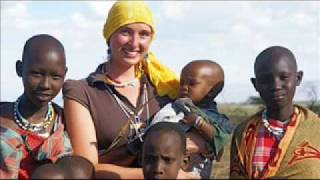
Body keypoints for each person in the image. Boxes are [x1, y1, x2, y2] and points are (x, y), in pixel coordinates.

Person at [62, 1, 201, 179]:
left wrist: (201, 143)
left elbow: (202, 130)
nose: (134, 42)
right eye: (125, 31)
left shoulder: (164, 86)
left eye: (144, 34)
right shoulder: (82, 92)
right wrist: (171, 175)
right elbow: (87, 168)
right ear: (109, 34)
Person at [229, 46, 320, 178]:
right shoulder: (244, 133)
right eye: (266, 80)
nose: (276, 86)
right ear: (255, 84)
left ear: (298, 78)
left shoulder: (316, 128)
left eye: (283, 77)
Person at [0, 34, 72, 179]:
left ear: (64, 75)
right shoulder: (3, 120)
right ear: (19, 69)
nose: (45, 85)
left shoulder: (66, 122)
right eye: (36, 74)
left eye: (55, 77)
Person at [150, 60, 232, 178]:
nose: (184, 87)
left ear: (212, 91)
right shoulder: (172, 109)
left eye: (192, 84)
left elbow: (219, 146)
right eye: (182, 82)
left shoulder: (218, 120)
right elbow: (154, 138)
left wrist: (198, 123)